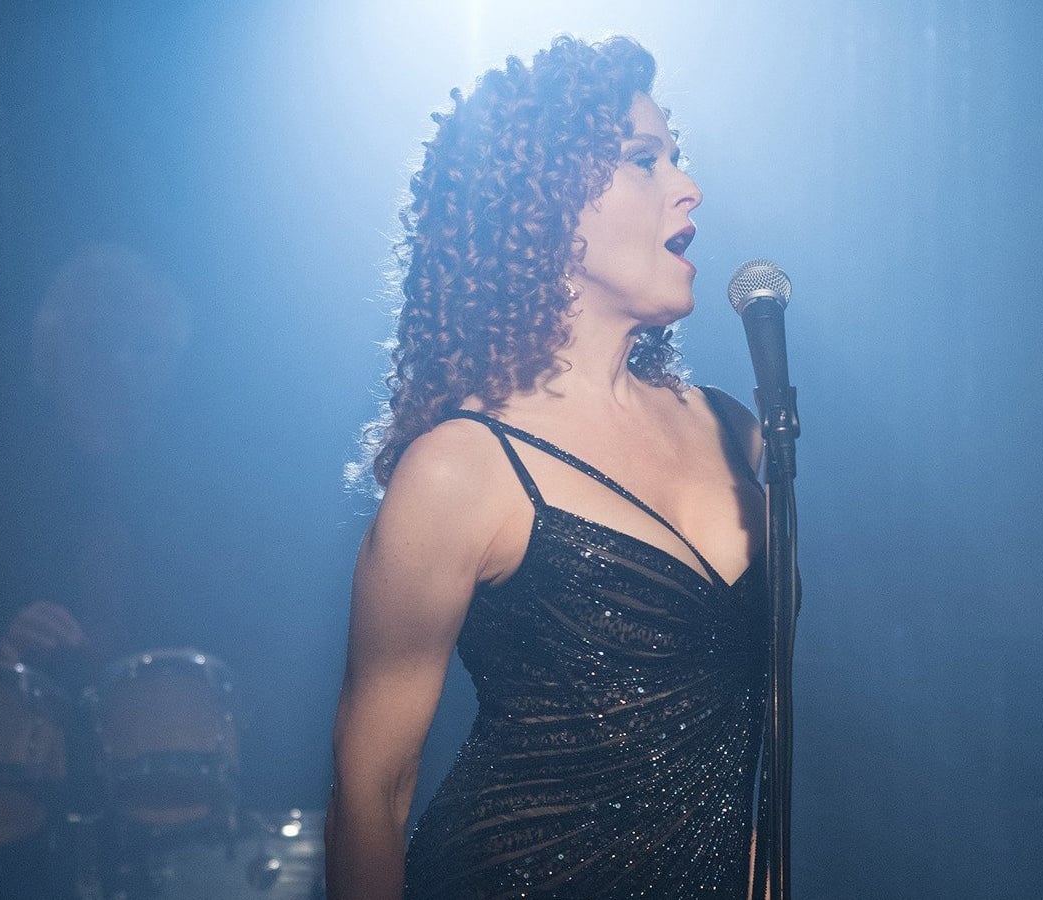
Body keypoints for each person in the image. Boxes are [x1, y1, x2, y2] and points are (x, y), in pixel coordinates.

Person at [325, 35, 770, 900]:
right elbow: (369, 792)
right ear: (546, 202)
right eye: (644, 158)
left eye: (676, 156)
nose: (688, 185)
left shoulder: (738, 435)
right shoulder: (462, 468)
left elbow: (753, 752)